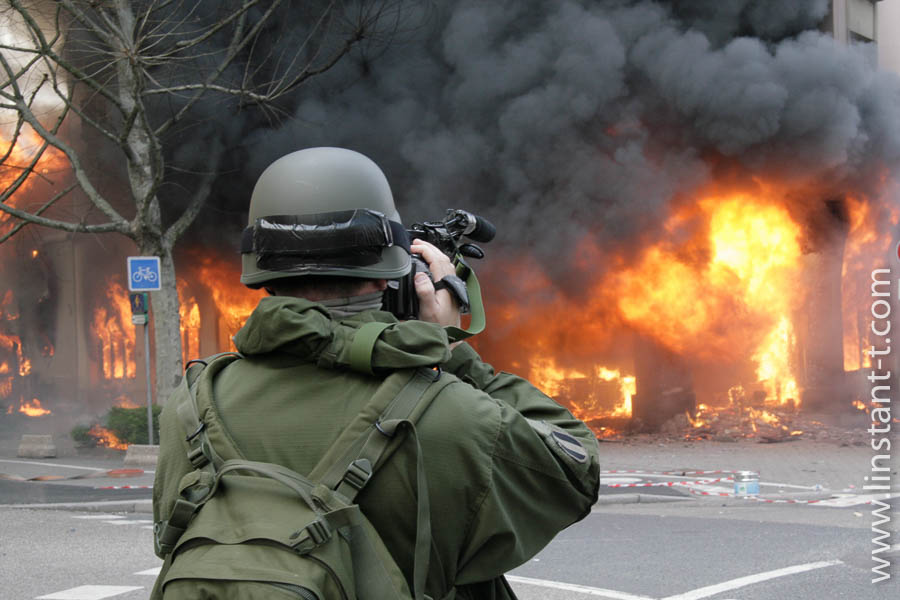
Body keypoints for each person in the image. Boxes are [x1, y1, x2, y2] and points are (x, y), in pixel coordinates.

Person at [151, 147, 600, 599]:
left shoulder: (192, 405)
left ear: (262, 272)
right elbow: (575, 468)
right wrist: (448, 346)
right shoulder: (451, 414)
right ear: (390, 276)